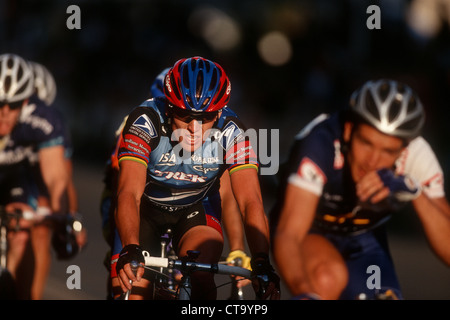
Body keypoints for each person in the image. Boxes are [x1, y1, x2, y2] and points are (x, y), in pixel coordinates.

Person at [113, 56, 279, 300]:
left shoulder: (232, 131)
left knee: (201, 273)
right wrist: (130, 247)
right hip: (144, 211)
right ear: (169, 108)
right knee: (131, 290)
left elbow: (250, 201)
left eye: (206, 118)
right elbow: (129, 193)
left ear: (219, 113)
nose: (195, 127)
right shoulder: (145, 121)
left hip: (196, 207)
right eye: (185, 115)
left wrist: (262, 261)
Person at [272, 79, 450, 300]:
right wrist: (305, 293)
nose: (373, 161)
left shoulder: (417, 156)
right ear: (348, 131)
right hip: (311, 229)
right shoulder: (322, 142)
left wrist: (415, 192)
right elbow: (289, 233)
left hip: (365, 238)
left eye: (387, 151)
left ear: (404, 150)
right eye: (366, 143)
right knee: (325, 279)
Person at [0, 53, 70, 299]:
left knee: (21, 230)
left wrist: (63, 216)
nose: (4, 113)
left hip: (14, 177)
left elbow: (57, 178)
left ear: (26, 101)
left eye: (14, 105)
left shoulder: (43, 118)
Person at [25, 60, 86, 299]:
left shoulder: (52, 124)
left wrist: (72, 218)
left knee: (41, 230)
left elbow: (63, 179)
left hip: (35, 186)